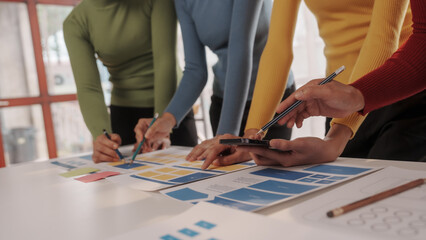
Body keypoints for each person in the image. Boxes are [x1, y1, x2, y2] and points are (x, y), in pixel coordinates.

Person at [191, 0, 416, 169]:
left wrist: (336, 137)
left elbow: (385, 35)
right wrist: (252, 135)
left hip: (402, 92)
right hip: (339, 101)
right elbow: (278, 47)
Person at [135, 0, 295, 154]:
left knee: (267, 176)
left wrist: (225, 135)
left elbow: (240, 50)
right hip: (224, 103)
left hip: (271, 101)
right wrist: (167, 120)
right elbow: (195, 70)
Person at [63, 0, 198, 163]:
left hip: (172, 108)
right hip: (124, 112)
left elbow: (164, 62)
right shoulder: (75, 23)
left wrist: (162, 123)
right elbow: (88, 87)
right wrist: (102, 136)